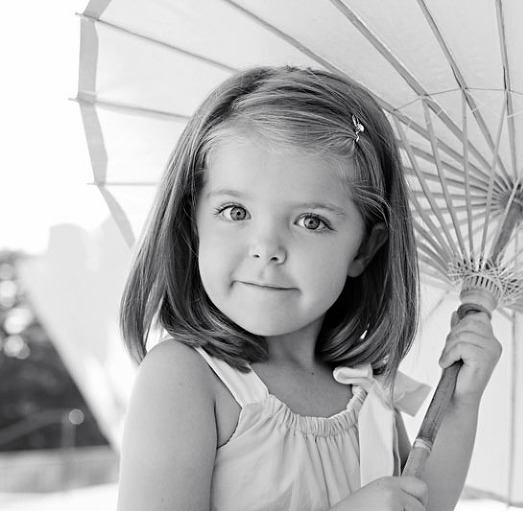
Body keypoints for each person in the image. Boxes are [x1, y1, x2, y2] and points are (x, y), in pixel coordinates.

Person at [116, 65, 501, 511]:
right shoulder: (185, 379)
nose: (266, 249)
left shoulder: (368, 392)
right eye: (235, 211)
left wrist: (461, 404)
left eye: (311, 221)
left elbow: (419, 503)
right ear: (192, 221)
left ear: (364, 249)